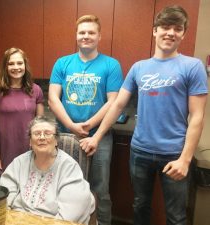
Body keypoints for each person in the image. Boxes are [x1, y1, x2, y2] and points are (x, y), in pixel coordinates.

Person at [80, 5, 208, 225]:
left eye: (177, 28)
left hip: (174, 153)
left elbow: (197, 116)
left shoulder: (192, 66)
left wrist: (185, 160)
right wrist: (97, 136)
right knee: (140, 206)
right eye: (165, 27)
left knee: (176, 215)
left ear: (183, 33)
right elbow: (118, 104)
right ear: (155, 31)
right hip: (140, 151)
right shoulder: (140, 67)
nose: (170, 32)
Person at [48, 15, 123, 225]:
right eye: (82, 32)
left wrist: (89, 125)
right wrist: (72, 126)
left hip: (100, 137)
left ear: (99, 36)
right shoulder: (62, 63)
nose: (86, 36)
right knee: (65, 185)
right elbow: (53, 99)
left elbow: (113, 101)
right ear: (76, 35)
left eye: (91, 32)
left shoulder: (111, 65)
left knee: (100, 189)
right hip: (64, 135)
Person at [0, 116, 95, 224]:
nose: (42, 137)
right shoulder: (19, 162)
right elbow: (4, 193)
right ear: (30, 141)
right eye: (36, 133)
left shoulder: (69, 167)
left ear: (56, 140)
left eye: (48, 133)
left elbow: (69, 215)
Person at [0, 47, 44, 173]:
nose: (16, 67)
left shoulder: (36, 90)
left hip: (29, 147)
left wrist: (39, 149)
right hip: (5, 147)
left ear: (25, 65)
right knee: (6, 187)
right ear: (5, 67)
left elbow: (40, 123)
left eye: (19, 63)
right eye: (11, 63)